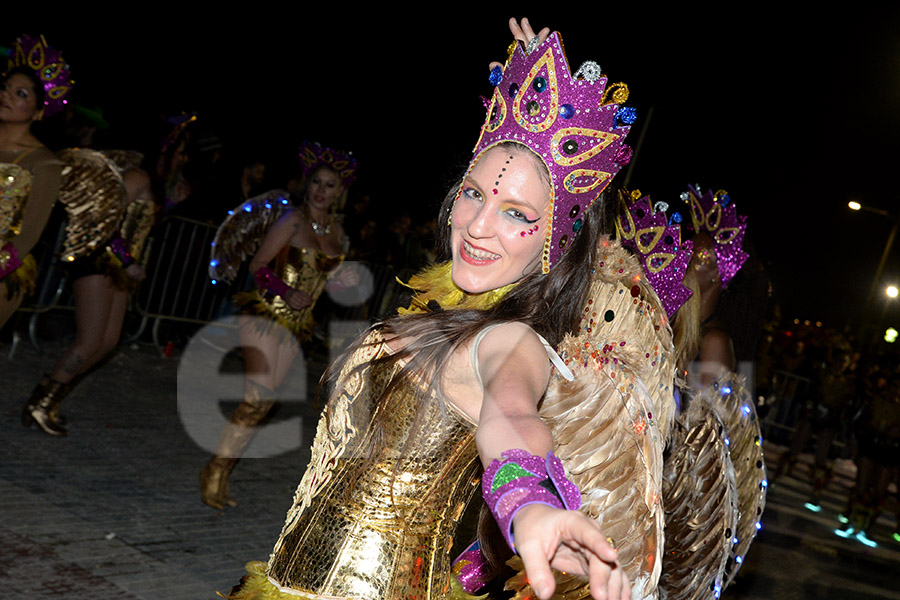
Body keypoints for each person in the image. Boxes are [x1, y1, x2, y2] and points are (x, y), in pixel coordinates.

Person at [221, 20, 636, 600]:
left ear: (556, 241)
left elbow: (512, 416)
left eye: (517, 213)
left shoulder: (511, 339)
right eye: (473, 194)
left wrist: (529, 504)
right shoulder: (444, 312)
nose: (478, 225)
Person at [201, 142, 359, 510]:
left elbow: (327, 280)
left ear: (340, 192)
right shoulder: (292, 220)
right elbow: (258, 265)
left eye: (330, 185)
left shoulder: (337, 231)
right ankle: (215, 471)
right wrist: (284, 290)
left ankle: (220, 468)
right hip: (266, 314)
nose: (320, 190)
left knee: (265, 402)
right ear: (307, 183)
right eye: (316, 182)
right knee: (258, 397)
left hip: (298, 325)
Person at [22, 149, 153, 436]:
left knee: (107, 342)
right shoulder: (136, 176)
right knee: (90, 341)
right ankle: (42, 403)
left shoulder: (136, 179)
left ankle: (48, 393)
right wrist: (127, 261)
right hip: (100, 261)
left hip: (114, 266)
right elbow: (105, 219)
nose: (183, 159)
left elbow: (137, 220)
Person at [0, 35, 69, 329]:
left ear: (38, 111)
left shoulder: (45, 163)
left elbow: (29, 235)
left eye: (20, 93)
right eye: (5, 87)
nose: (6, 95)